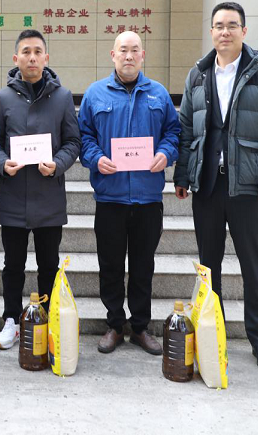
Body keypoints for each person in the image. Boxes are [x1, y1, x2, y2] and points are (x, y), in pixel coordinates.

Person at [174, 1, 258, 373]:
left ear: (244, 31)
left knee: (253, 266)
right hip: (207, 186)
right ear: (211, 32)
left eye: (232, 25)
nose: (225, 32)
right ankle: (215, 335)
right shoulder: (198, 74)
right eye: (219, 26)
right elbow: (186, 129)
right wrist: (182, 174)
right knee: (209, 268)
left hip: (248, 186)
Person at [78, 30, 180, 355]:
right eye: (123, 50)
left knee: (142, 266)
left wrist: (166, 153)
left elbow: (174, 132)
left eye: (135, 50)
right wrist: (96, 158)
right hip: (110, 197)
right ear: (113, 55)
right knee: (109, 265)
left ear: (142, 55)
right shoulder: (95, 94)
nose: (129, 56)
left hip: (148, 199)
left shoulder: (159, 94)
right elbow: (84, 137)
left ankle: (139, 327)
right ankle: (114, 325)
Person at [0, 30, 82, 350]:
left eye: (38, 51)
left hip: (48, 195)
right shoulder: (3, 98)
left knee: (48, 265)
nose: (32, 57)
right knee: (12, 265)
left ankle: (47, 319)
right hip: (13, 194)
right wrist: (2, 163)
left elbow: (73, 141)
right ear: (16, 58)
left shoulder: (63, 97)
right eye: (25, 52)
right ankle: (11, 321)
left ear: (46, 58)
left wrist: (58, 163)